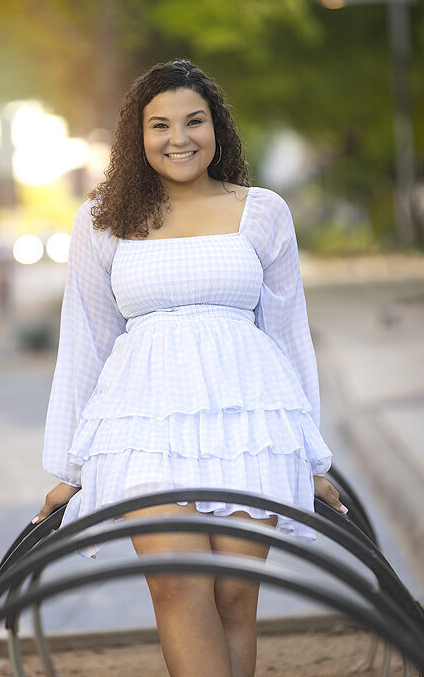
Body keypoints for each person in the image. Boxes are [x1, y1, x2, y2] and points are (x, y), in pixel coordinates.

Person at [32, 59, 345, 677]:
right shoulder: (102, 220)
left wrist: (313, 458)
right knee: (177, 585)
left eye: (193, 121)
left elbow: (287, 337)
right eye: (160, 125)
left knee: (233, 594)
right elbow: (85, 342)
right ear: (137, 137)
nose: (179, 138)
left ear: (216, 128)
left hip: (247, 424)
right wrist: (70, 467)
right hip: (142, 424)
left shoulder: (262, 212)